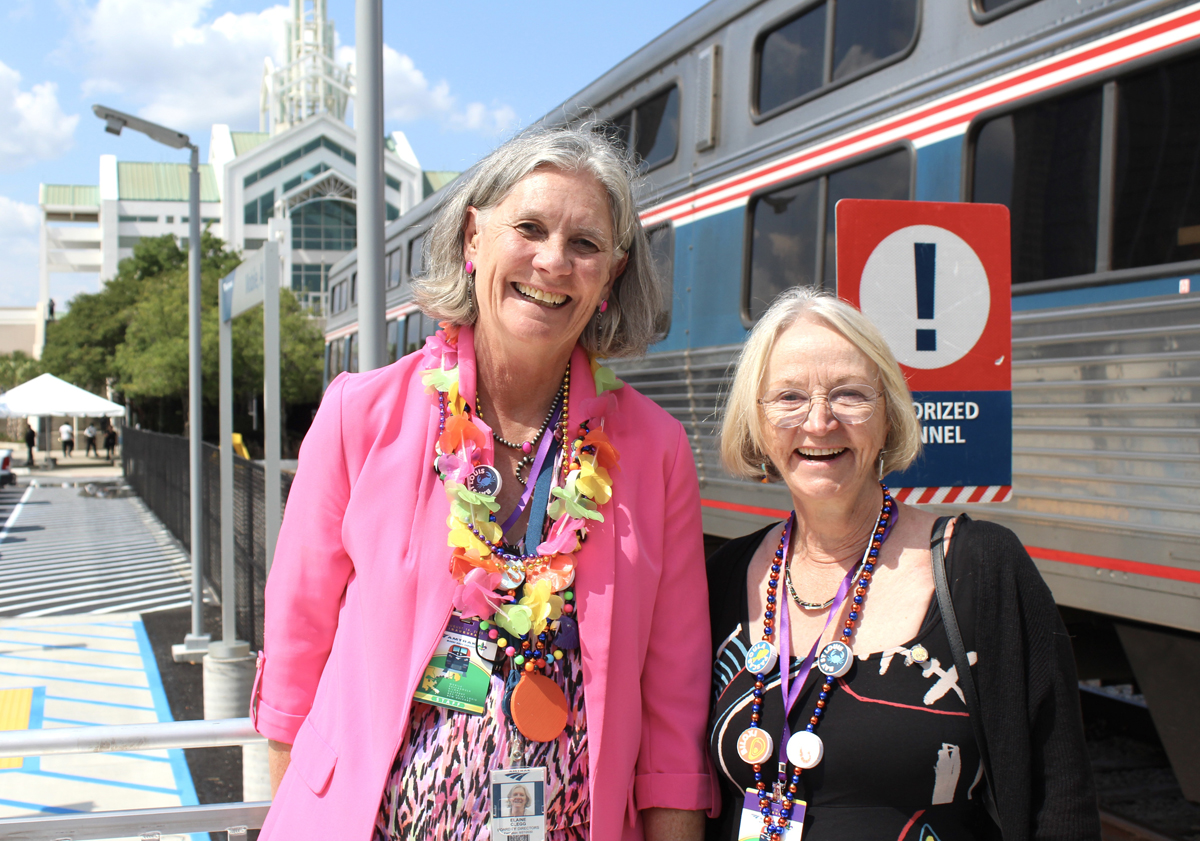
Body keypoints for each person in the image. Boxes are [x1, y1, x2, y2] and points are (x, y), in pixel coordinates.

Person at [254, 127, 713, 841]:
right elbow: (294, 653)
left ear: (611, 275)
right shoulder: (360, 414)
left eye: (585, 244)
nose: (553, 261)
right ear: (474, 239)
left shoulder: (655, 451)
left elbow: (675, 701)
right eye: (528, 228)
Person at [706, 288, 1099, 841]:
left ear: (888, 417)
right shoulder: (725, 575)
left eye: (849, 395)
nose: (819, 422)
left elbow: (1062, 805)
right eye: (789, 397)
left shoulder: (983, 567)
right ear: (757, 424)